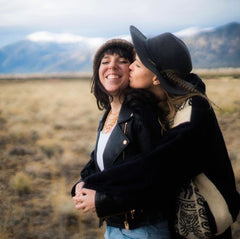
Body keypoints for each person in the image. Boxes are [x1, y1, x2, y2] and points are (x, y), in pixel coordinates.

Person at [76, 26, 240, 239]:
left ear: (155, 77)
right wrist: (85, 181)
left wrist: (98, 191)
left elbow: (155, 167)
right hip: (180, 224)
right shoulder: (162, 105)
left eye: (136, 63)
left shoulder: (193, 112)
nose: (131, 68)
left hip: (207, 225)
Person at [72, 38, 172, 239]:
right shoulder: (110, 113)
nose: (112, 66)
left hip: (143, 230)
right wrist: (83, 182)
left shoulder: (142, 114)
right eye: (105, 61)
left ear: (133, 70)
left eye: (122, 61)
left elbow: (157, 179)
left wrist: (101, 201)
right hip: (116, 227)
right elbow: (102, 162)